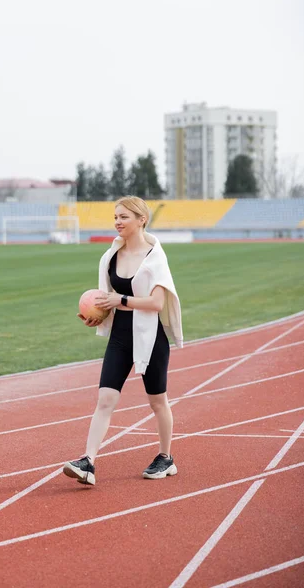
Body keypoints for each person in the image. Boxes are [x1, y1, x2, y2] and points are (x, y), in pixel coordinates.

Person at [63, 196, 183, 486]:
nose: (117, 221)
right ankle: (88, 462)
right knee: (105, 399)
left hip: (150, 337)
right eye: (115, 216)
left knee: (158, 402)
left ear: (142, 219)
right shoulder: (110, 256)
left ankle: (166, 458)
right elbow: (108, 302)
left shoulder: (155, 257)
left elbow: (156, 302)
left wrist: (121, 299)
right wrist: (98, 316)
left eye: (124, 217)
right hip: (120, 337)